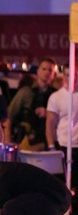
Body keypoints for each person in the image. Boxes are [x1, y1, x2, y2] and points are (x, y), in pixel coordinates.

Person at [5, 57, 57, 150]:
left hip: (48, 144)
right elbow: (9, 117)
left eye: (50, 70)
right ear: (37, 71)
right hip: (27, 143)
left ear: (54, 74)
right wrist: (8, 143)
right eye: (44, 69)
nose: (47, 72)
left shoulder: (56, 95)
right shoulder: (26, 92)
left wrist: (48, 114)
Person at [46, 64, 78, 200]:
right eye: (69, 74)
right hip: (63, 145)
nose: (73, 77)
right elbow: (50, 124)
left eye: (76, 74)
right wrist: (51, 146)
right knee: (62, 185)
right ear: (64, 76)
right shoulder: (56, 97)